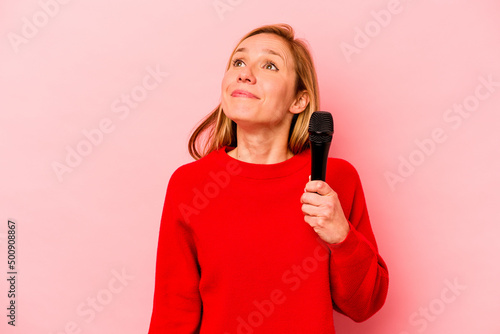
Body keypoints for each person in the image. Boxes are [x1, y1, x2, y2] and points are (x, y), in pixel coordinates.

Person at [148, 23, 388, 334]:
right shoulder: (189, 185)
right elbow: (173, 313)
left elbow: (364, 306)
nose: (244, 74)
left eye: (270, 65)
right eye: (238, 62)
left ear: (299, 101)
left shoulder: (335, 180)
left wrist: (342, 236)